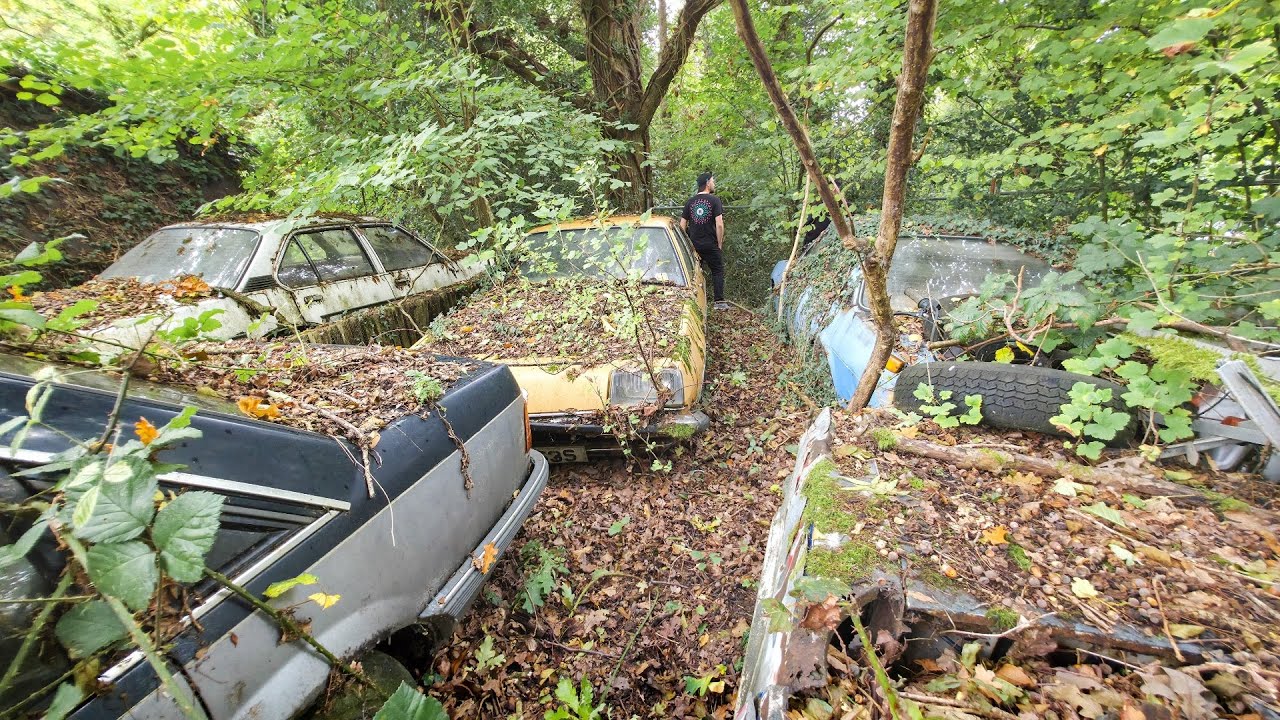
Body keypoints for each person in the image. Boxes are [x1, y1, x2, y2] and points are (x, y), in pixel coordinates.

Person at [680, 171, 727, 309]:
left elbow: (682, 225)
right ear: (707, 183)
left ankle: (695, 302)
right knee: (717, 270)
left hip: (694, 245)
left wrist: (687, 244)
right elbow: (719, 224)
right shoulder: (715, 200)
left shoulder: (690, 202)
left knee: (695, 274)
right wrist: (719, 243)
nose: (714, 184)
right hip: (711, 244)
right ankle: (719, 302)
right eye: (712, 181)